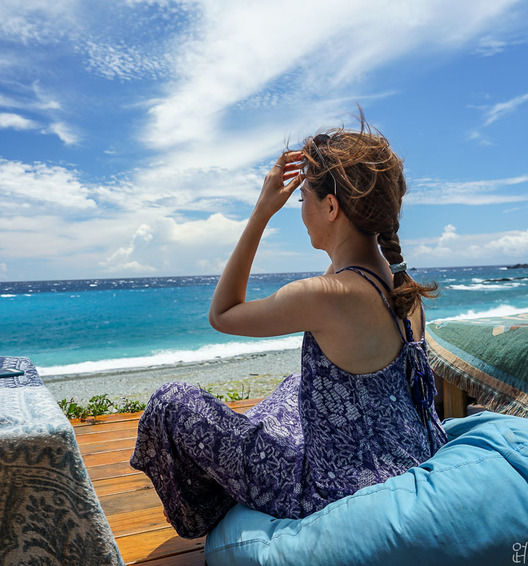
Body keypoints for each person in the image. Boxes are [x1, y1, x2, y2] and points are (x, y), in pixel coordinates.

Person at [130, 117, 447, 539]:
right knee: (289, 390)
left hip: (334, 486)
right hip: (409, 453)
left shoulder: (324, 294)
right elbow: (345, 260)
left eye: (302, 199)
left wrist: (261, 211)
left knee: (170, 403)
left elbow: (222, 314)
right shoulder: (401, 286)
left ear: (331, 207)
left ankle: (209, 512)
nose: (299, 209)